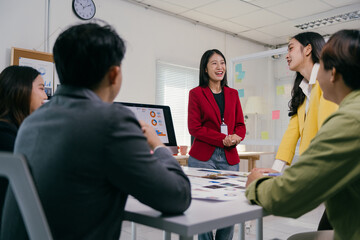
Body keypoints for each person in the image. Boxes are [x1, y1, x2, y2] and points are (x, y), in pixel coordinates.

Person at [0, 22, 191, 240]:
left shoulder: (30, 123)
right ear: (114, 74)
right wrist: (158, 145)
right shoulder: (112, 120)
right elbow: (178, 196)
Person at [246, 29, 360, 240]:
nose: (286, 55)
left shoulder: (348, 117)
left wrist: (256, 184)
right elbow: (293, 132)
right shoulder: (304, 88)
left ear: (332, 72)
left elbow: (289, 197)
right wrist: (276, 169)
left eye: (290, 48)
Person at [187, 49, 246, 240]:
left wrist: (236, 137)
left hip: (229, 158)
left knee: (229, 208)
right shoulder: (196, 93)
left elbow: (240, 125)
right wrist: (222, 139)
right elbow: (194, 128)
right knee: (203, 208)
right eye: (214, 63)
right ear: (205, 68)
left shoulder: (233, 94)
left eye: (222, 62)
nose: (220, 67)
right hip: (203, 157)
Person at [0, 65, 48, 228]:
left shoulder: (12, 130)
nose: (45, 95)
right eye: (41, 88)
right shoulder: (6, 137)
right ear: (21, 90)